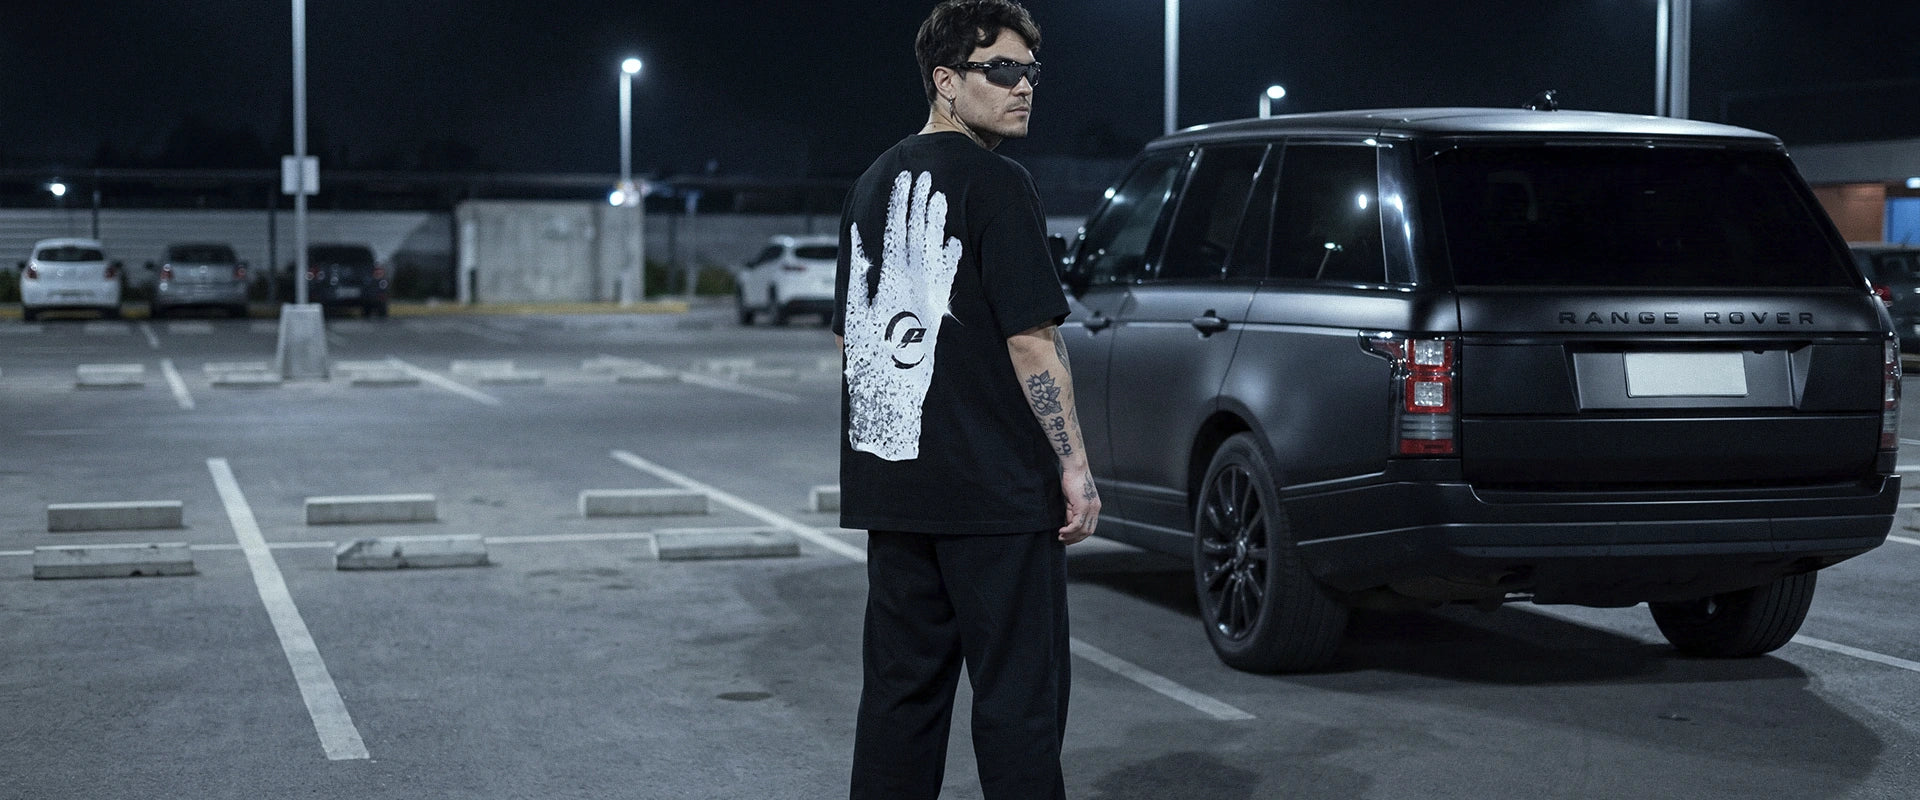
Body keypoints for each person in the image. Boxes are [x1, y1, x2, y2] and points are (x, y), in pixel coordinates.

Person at [830, 1, 1099, 798]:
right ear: (947, 81)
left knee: (899, 702)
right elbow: (1032, 342)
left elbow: (850, 341)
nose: (1024, 87)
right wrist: (1074, 466)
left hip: (895, 491)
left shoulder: (870, 183)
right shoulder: (998, 184)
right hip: (996, 499)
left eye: (1030, 71)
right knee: (1019, 705)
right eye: (1001, 70)